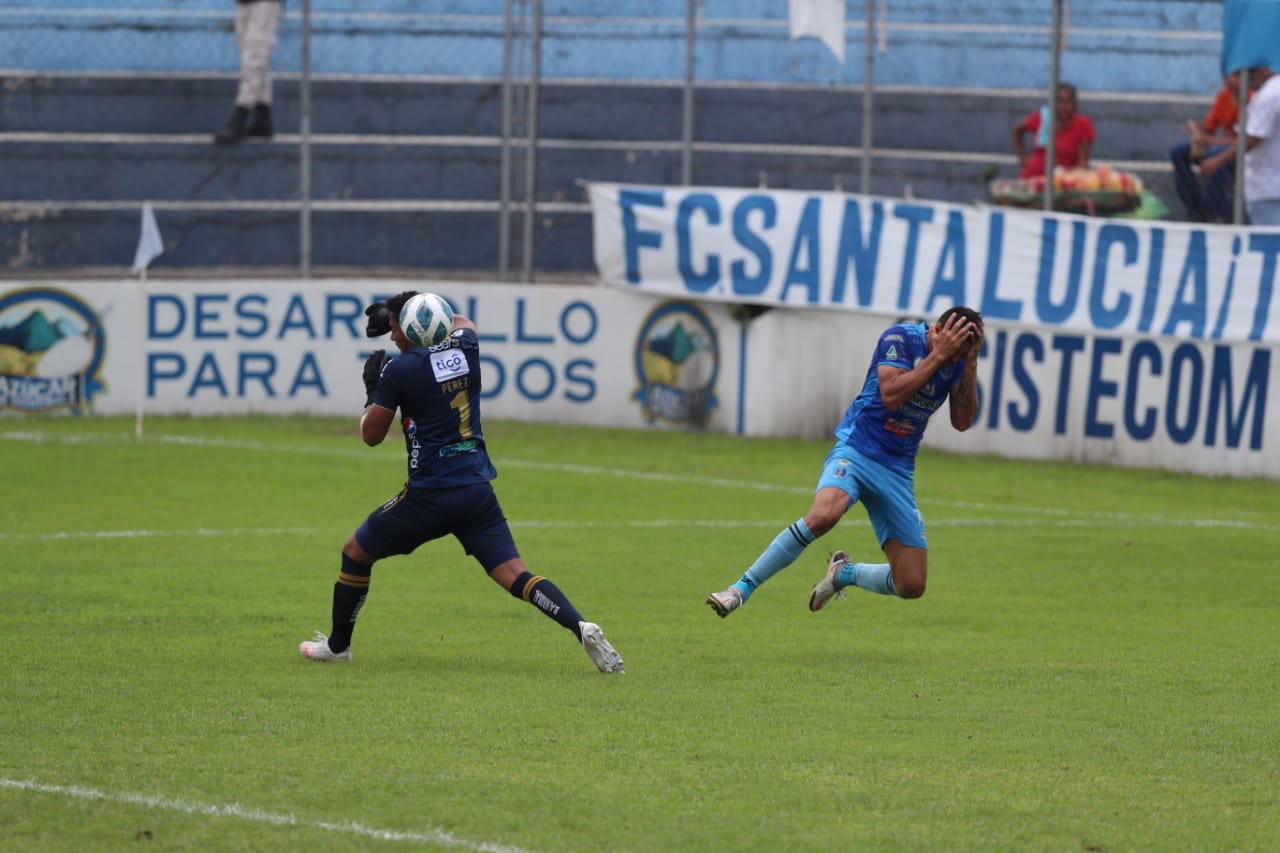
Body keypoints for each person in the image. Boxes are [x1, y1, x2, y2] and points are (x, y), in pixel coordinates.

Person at [299, 291, 625, 674]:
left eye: (393, 328)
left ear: (409, 329)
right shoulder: (466, 346)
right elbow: (459, 320)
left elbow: (371, 435)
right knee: (515, 574)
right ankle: (580, 626)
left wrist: (372, 389)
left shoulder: (400, 371)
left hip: (429, 497)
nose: (391, 337)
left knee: (355, 551)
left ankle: (338, 647)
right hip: (476, 490)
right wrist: (407, 307)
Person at [706, 307, 983, 619]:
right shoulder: (901, 339)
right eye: (950, 349)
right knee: (823, 516)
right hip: (857, 450)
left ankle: (843, 573)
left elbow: (962, 422)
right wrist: (938, 357)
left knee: (911, 584)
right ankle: (740, 589)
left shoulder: (959, 361)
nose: (951, 359)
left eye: (961, 353)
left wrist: (969, 361)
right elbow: (891, 395)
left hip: (898, 469)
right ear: (936, 330)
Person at [1202, 66, 1280, 227]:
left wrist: (1218, 161)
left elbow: (1252, 139)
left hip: (1268, 187)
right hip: (1270, 184)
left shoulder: (1269, 95)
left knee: (1269, 244)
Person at [1169, 71, 1245, 222]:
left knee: (1214, 153)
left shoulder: (1252, 99)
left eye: (1236, 76)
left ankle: (1223, 212)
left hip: (1244, 153)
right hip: (1222, 147)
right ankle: (1196, 209)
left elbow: (1247, 142)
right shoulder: (1224, 97)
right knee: (1178, 152)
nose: (1231, 80)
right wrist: (1196, 129)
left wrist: (1210, 141)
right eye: (1228, 76)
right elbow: (1208, 127)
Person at [214, 0, 281, 145]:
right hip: (244, 3)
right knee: (253, 59)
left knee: (254, 58)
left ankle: (241, 115)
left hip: (264, 4)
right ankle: (263, 116)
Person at [1012, 83, 1096, 178]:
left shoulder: (1083, 124)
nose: (1062, 107)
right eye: (1058, 102)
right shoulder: (1042, 118)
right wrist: (1022, 158)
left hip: (1063, 181)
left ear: (1074, 104)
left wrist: (1079, 180)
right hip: (1033, 177)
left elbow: (1083, 162)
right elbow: (1017, 130)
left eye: (1067, 102)